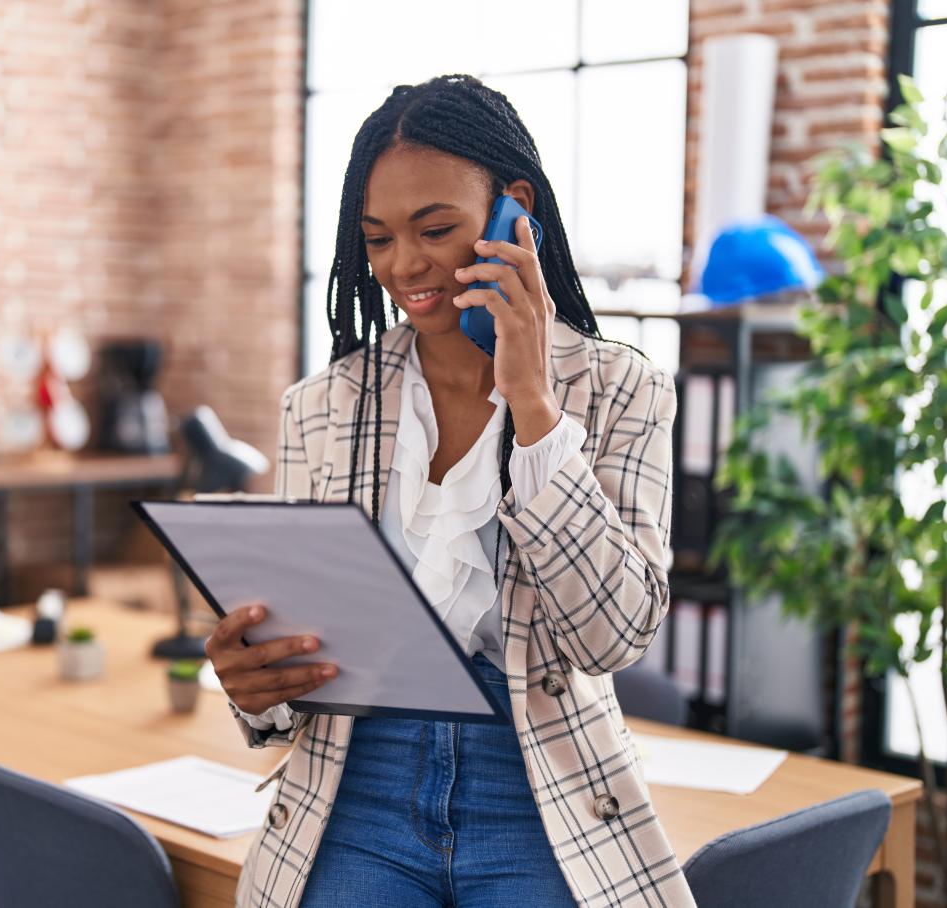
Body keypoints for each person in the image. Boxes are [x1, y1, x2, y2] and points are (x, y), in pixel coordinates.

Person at [204, 74, 695, 908]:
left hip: (541, 789)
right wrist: (256, 688)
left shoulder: (621, 390)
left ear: (515, 210)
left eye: (436, 228)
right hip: (357, 789)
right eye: (379, 238)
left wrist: (535, 407)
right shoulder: (322, 406)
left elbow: (614, 638)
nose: (405, 265)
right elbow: (301, 649)